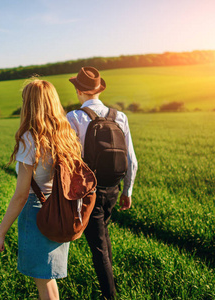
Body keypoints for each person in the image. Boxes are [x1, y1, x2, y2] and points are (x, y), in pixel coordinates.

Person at [0, 78, 84, 300]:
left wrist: (0, 235)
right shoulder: (66, 133)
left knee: (44, 281)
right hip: (62, 208)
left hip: (37, 211)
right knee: (48, 277)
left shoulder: (30, 138)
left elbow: (21, 195)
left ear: (30, 105)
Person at [66, 66, 138, 299]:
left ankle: (110, 295)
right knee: (103, 235)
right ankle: (112, 282)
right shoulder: (120, 117)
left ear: (79, 90)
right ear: (98, 90)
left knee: (98, 248)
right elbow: (131, 159)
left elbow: (70, 159)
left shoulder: (75, 118)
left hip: (89, 191)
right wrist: (127, 190)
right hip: (113, 188)